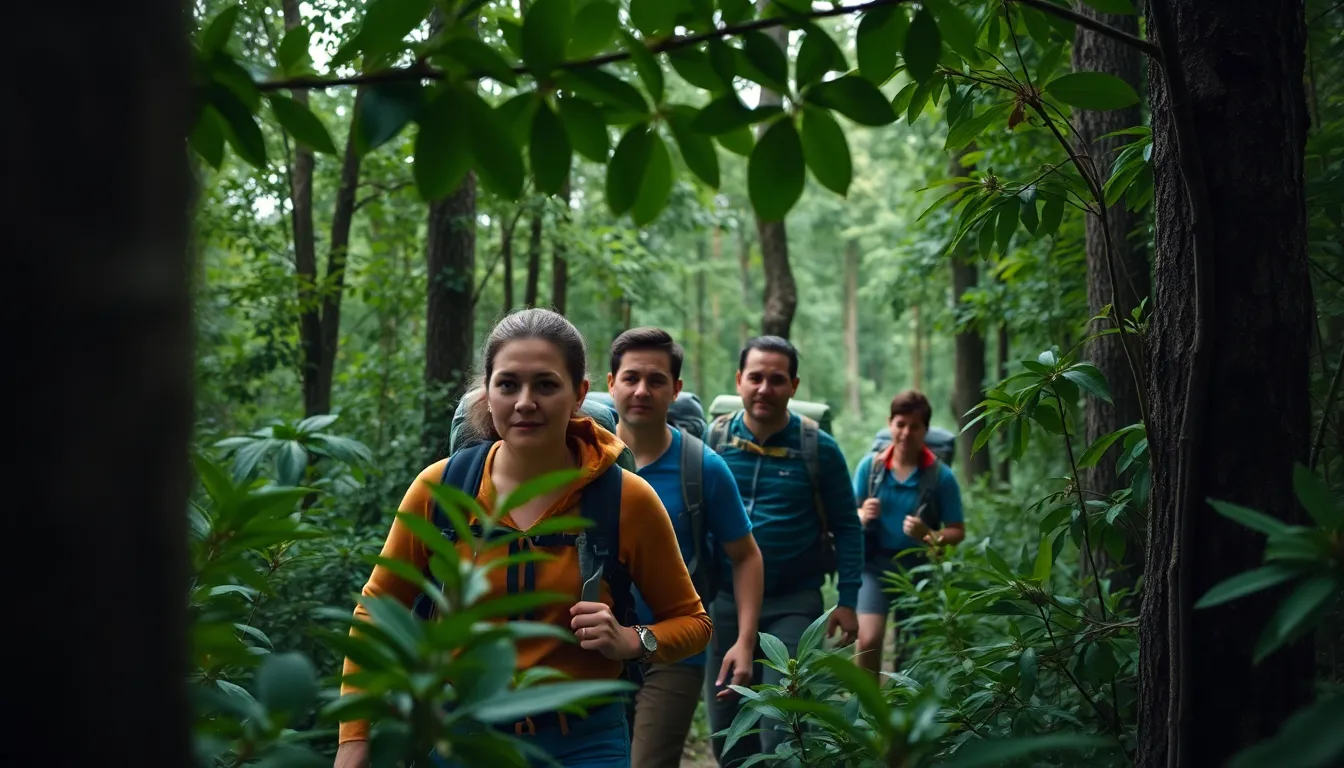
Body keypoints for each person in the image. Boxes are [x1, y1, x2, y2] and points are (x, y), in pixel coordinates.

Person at [333, 308, 713, 768]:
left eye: (546, 385)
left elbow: (693, 623)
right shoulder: (440, 491)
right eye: (508, 384)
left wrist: (634, 640)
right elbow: (375, 612)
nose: (525, 402)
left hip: (584, 742)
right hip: (460, 737)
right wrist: (354, 740)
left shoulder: (625, 499)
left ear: (579, 394)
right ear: (487, 393)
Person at [605, 327, 765, 768]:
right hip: (595, 648)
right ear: (610, 383)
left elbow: (746, 555)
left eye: (656, 380)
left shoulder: (703, 468)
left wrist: (744, 642)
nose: (642, 390)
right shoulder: (585, 462)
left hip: (671, 648)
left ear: (675, 390)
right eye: (631, 378)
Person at [703, 335, 863, 766]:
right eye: (755, 377)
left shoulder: (819, 450)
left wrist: (848, 601)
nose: (764, 388)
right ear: (739, 380)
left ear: (793, 385)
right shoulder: (713, 440)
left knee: (783, 727)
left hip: (794, 604)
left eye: (776, 379)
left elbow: (848, 528)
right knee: (727, 731)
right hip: (723, 604)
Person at [851, 390, 966, 680]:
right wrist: (862, 515)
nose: (906, 433)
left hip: (919, 570)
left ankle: (906, 713)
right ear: (890, 423)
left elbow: (957, 531)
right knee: (867, 642)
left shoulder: (941, 477)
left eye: (915, 426)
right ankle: (867, 715)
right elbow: (846, 518)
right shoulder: (870, 468)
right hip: (874, 566)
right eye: (900, 424)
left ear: (925, 430)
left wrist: (929, 533)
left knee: (913, 651)